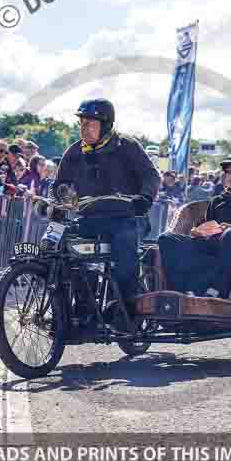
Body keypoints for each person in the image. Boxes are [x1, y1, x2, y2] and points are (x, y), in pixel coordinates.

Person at [51, 98, 160, 328]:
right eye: (81, 123)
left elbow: (151, 176)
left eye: (90, 123)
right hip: (90, 219)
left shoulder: (127, 146)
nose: (84, 128)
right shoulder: (74, 152)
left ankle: (127, 311)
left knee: (123, 249)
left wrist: (145, 198)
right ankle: (80, 310)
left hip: (128, 218)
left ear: (106, 124)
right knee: (62, 250)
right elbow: (59, 184)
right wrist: (62, 196)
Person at [158, 152, 231, 298]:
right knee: (165, 238)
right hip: (207, 243)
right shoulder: (217, 200)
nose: (230, 176)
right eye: (228, 172)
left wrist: (228, 228)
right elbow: (207, 224)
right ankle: (178, 291)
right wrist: (196, 231)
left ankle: (216, 289)